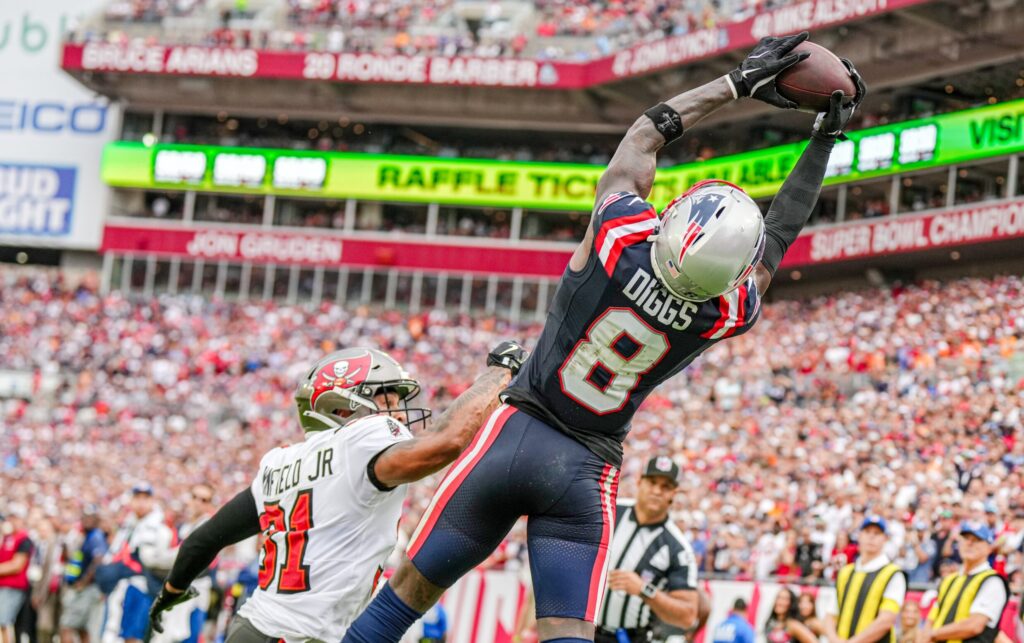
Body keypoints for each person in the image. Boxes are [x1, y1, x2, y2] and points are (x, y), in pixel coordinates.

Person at [345, 32, 866, 643]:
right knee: (568, 631)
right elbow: (778, 235)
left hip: (515, 432)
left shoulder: (621, 238)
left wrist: (736, 83)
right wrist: (823, 141)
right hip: (585, 471)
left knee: (402, 600)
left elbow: (644, 135)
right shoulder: (727, 309)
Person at [148, 343, 526, 643]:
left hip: (250, 629)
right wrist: (500, 371)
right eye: (388, 399)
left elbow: (205, 539)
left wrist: (172, 590)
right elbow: (447, 442)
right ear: (343, 405)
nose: (399, 412)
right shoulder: (361, 441)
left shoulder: (279, 462)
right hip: (302, 636)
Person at [594, 457, 698, 642]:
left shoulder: (678, 547)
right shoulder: (609, 511)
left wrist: (644, 590)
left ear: (674, 493)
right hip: (583, 629)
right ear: (639, 482)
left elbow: (688, 616)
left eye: (665, 486)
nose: (657, 491)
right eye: (652, 482)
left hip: (630, 638)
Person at [917, 522, 1008, 643]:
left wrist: (933, 634)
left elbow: (974, 625)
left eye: (977, 540)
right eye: (965, 538)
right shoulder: (950, 579)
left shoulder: (992, 581)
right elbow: (932, 618)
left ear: (989, 548)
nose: (969, 543)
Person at [825, 516, 907, 643]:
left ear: (885, 538)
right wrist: (834, 639)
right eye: (867, 532)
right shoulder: (845, 572)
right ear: (859, 535)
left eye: (877, 533)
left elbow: (886, 620)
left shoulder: (893, 574)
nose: (871, 537)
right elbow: (831, 613)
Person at [60, 506, 108, 643]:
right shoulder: (86, 536)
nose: (87, 520)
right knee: (82, 629)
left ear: (96, 519)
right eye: (85, 517)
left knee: (67, 626)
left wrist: (84, 582)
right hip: (85, 588)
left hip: (87, 589)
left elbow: (98, 561)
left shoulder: (96, 536)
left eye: (90, 517)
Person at [0, 510, 34, 643]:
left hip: (13, 587)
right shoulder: (7, 537)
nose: (12, 522)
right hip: (3, 585)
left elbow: (17, 565)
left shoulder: (24, 539)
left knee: (4, 621)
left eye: (16, 519)